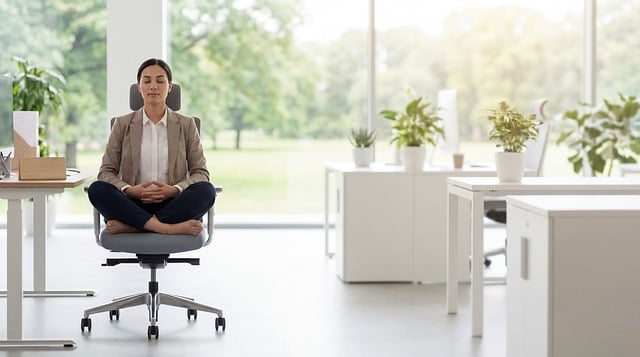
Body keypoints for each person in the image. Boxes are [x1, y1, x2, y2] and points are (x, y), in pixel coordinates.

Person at [88, 58, 216, 236]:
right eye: (146, 81)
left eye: (160, 81)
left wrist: (174, 190)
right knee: (97, 188)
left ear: (169, 87)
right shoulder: (122, 124)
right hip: (132, 203)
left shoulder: (187, 124)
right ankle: (166, 227)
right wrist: (129, 190)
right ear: (139, 87)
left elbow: (201, 172)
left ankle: (134, 226)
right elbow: (106, 172)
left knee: (206, 190)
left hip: (173, 203)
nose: (153, 86)